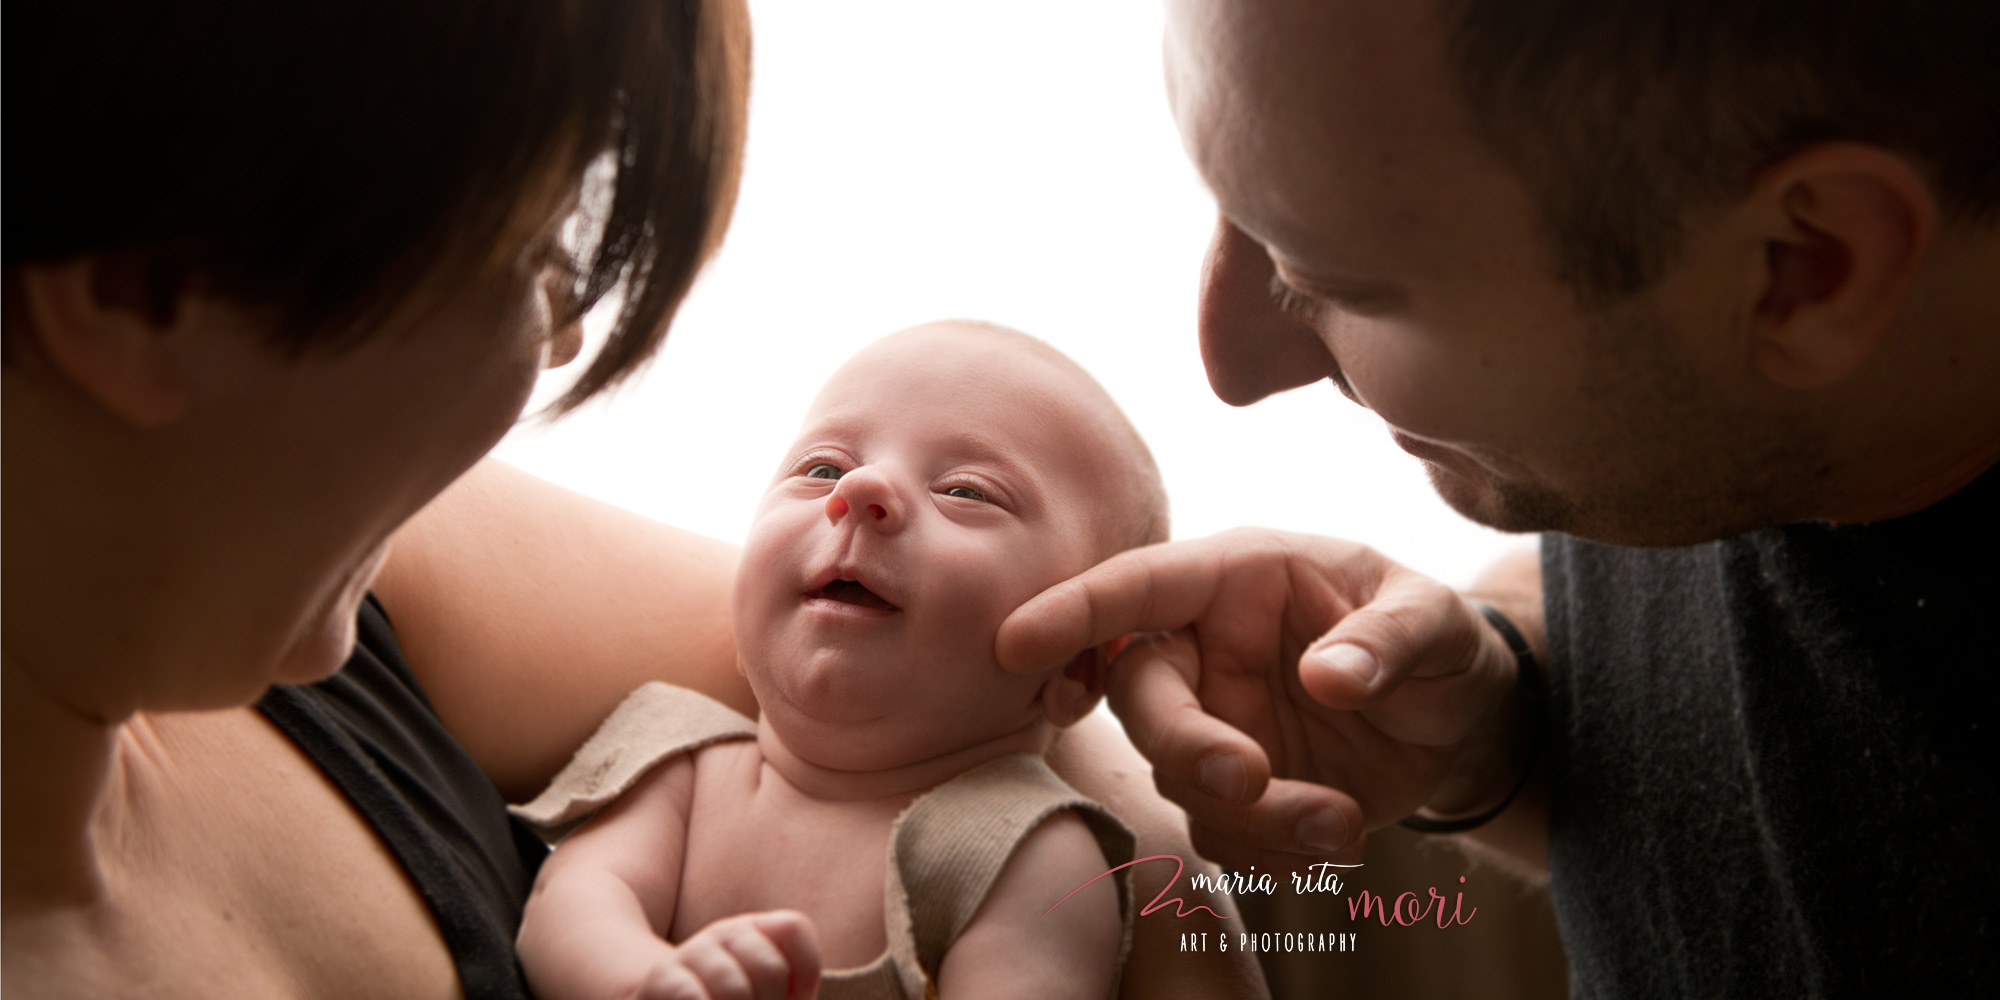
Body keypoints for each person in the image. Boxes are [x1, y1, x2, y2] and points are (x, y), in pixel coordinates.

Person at [3, 3, 1264, 997]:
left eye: (969, 489)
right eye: (537, 256)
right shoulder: (278, 546)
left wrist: (1158, 894)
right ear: (152, 290)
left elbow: (1016, 695)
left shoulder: (338, 551)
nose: (559, 341)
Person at [995, 0, 2000, 996]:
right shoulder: (1704, 391)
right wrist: (1491, 723)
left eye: (1327, 275)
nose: (1233, 361)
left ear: (1802, 270)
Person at [514, 323, 1167, 1000]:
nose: (859, 489)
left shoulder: (1025, 856)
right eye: (824, 468)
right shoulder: (678, 768)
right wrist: (646, 981)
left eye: (966, 491)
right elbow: (570, 908)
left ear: (1079, 668)